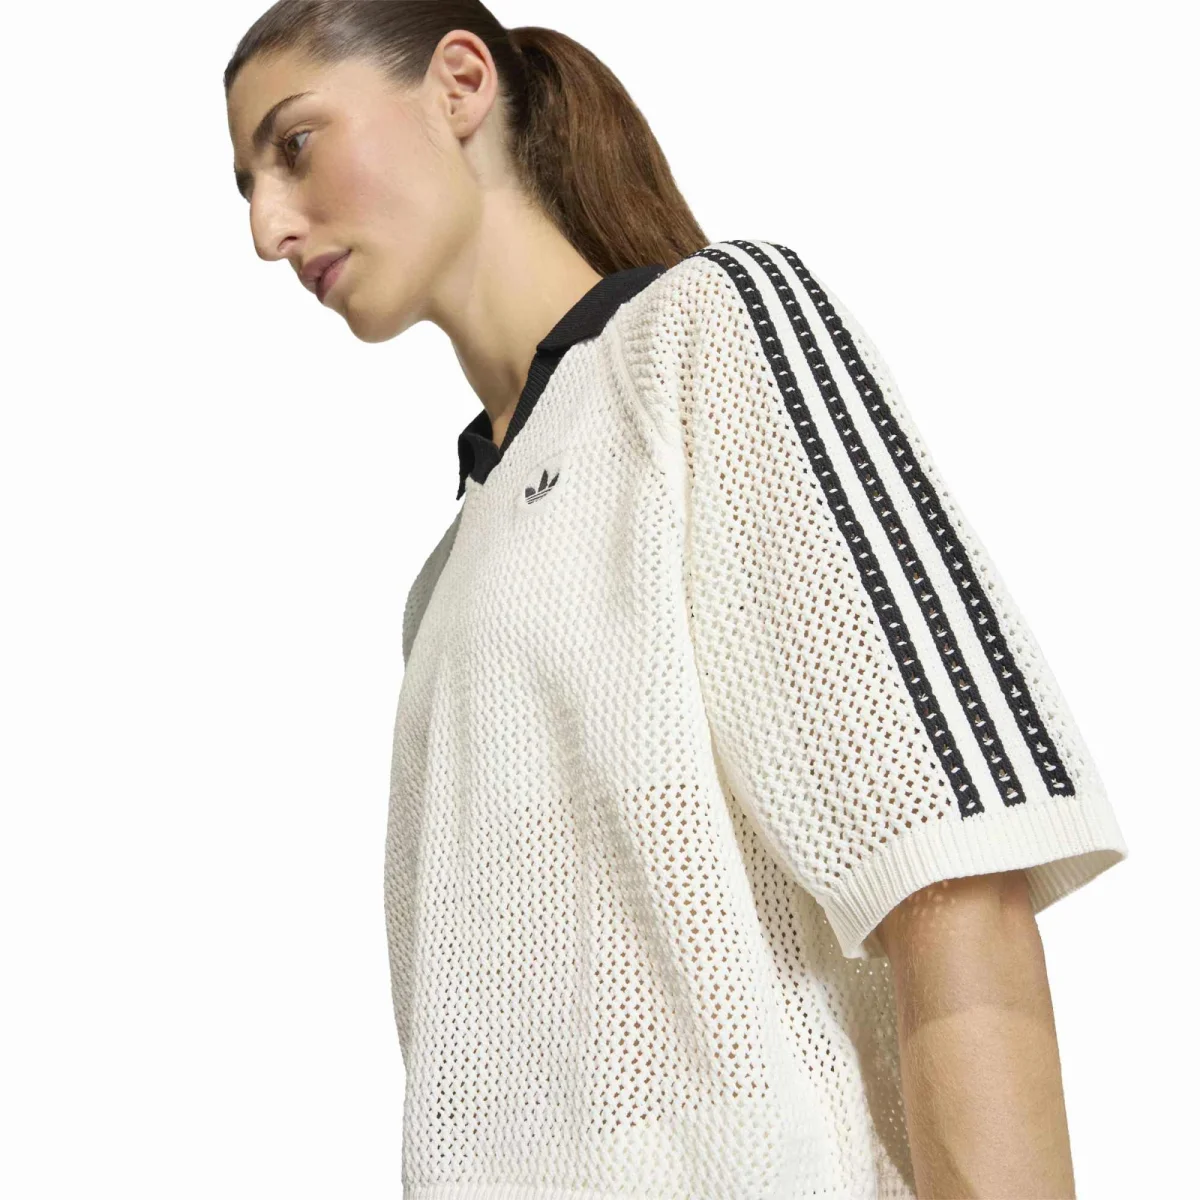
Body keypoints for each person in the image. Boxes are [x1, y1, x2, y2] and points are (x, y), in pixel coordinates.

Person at [225, 4, 1128, 1197]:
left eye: (294, 146)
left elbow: (949, 863)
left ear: (460, 84)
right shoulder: (444, 583)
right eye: (246, 187)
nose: (268, 228)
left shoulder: (704, 335)